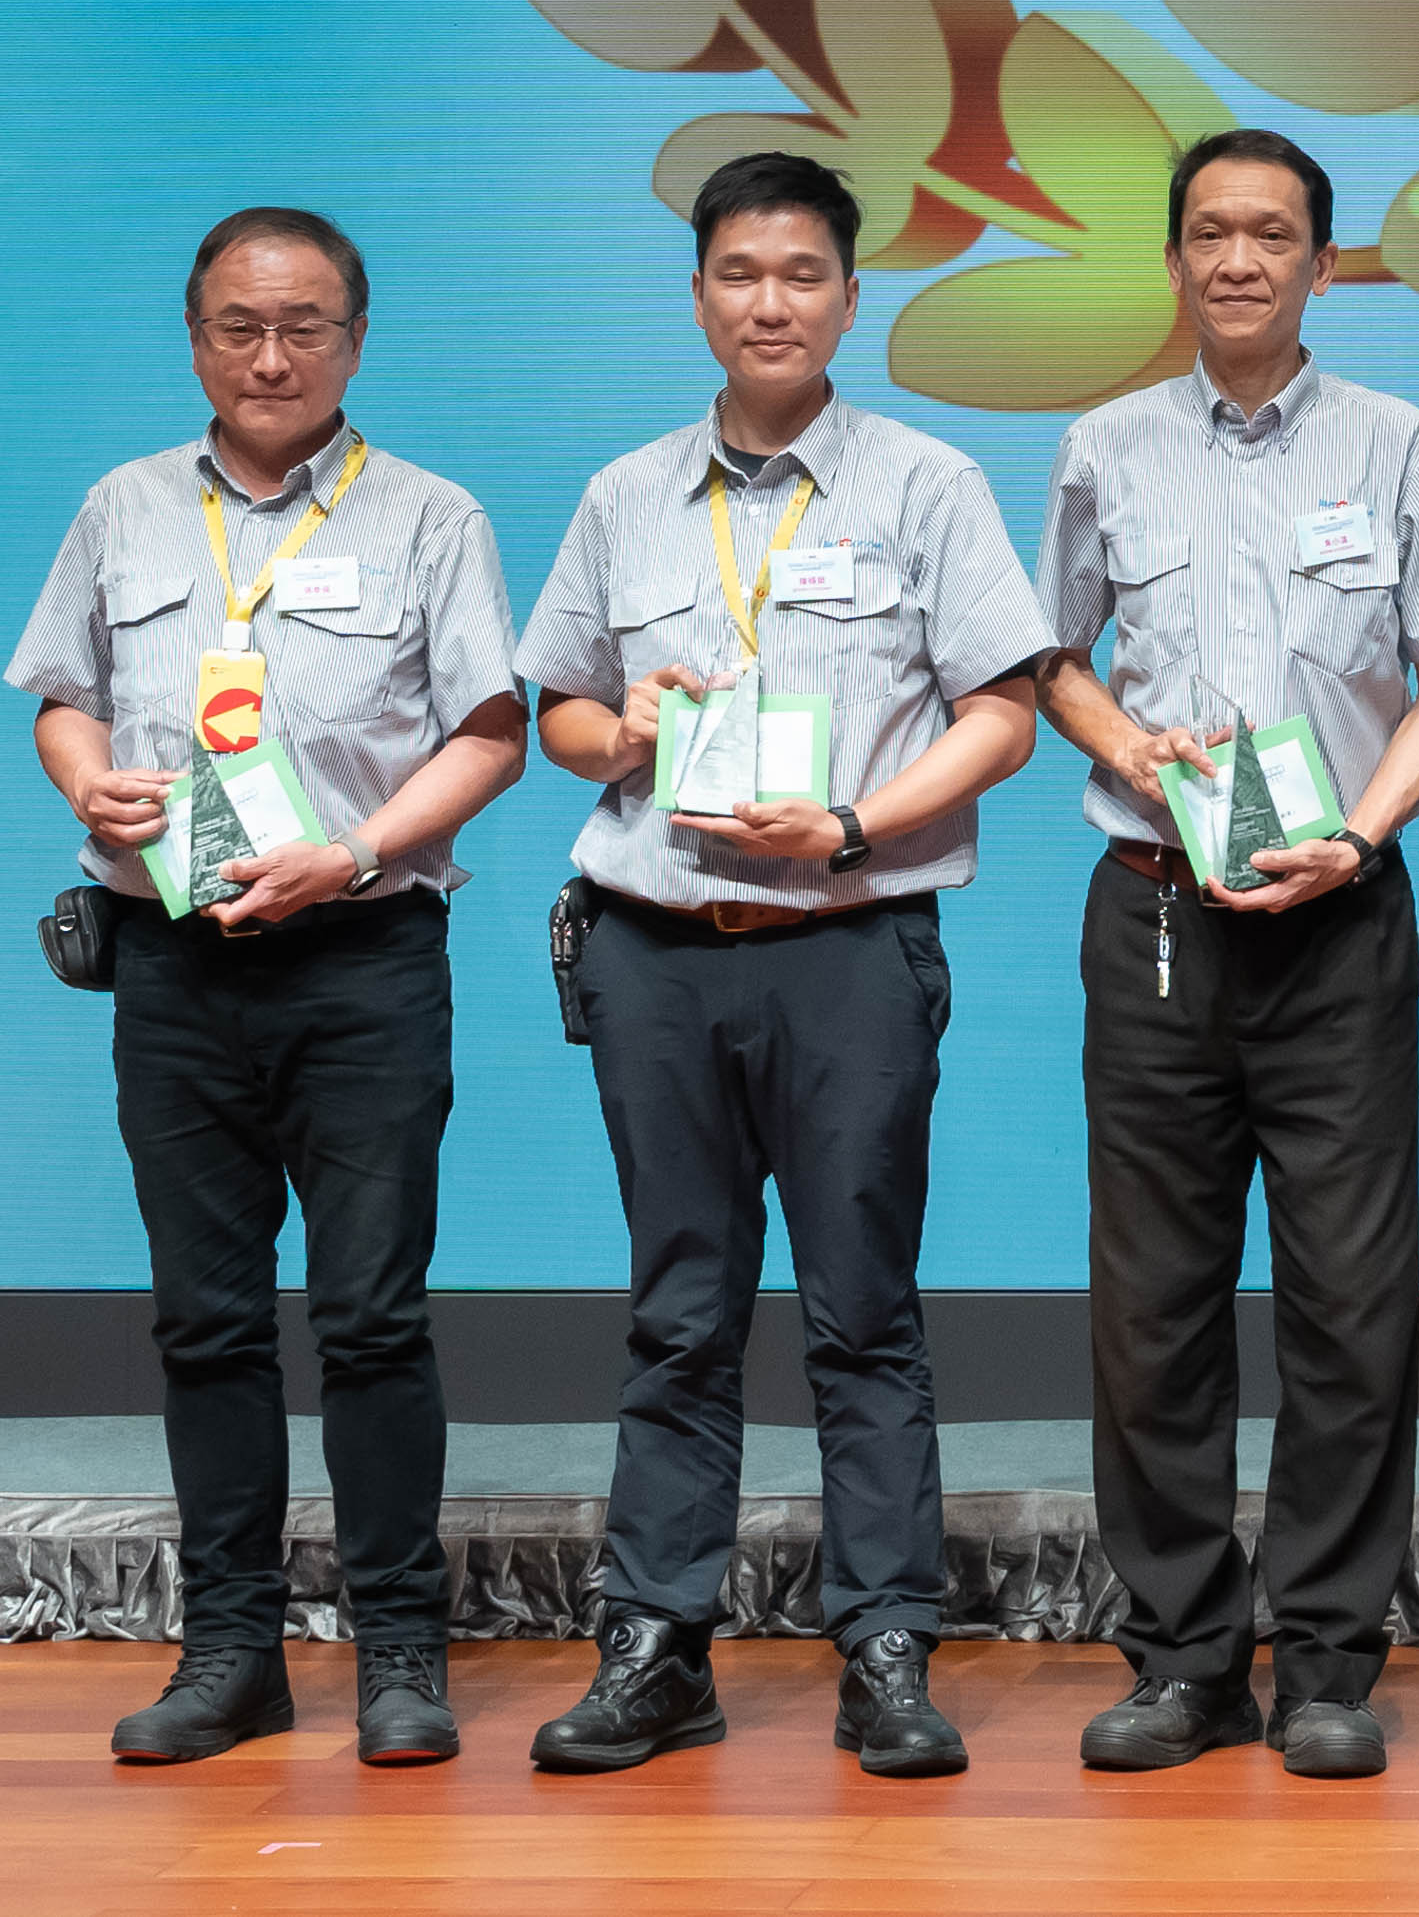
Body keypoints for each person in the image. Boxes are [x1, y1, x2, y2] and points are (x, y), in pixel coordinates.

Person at [516, 148, 1057, 1786]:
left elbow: (1004, 714)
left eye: (803, 273)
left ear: (847, 295)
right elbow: (556, 714)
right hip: (657, 952)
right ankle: (656, 1644)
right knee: (680, 1312)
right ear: (698, 296)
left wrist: (848, 824)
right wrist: (632, 726)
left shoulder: (927, 485)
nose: (771, 301)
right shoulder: (623, 494)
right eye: (740, 273)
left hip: (849, 947)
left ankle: (886, 1641)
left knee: (863, 1311)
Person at [6, 206, 530, 1770]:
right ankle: (229, 1646)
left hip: (362, 958)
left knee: (370, 1318)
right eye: (240, 324)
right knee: (206, 1321)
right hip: (172, 959)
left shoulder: (432, 516)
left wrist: (358, 851)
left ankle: (398, 1655)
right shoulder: (122, 506)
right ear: (195, 340)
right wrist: (87, 783)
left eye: (306, 324)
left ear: (357, 340)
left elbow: (492, 732)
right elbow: (65, 700)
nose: (272, 353)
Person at [1029, 122, 1419, 1782]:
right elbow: (1048, 661)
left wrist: (1361, 832)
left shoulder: (1399, 444)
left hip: (1340, 908)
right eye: (1212, 230)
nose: (1240, 257)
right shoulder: (1103, 444)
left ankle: (1327, 1658)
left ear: (1323, 261)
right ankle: (1179, 1655)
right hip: (1154, 907)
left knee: (1350, 1303)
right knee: (1151, 1300)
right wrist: (1131, 741)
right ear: (1174, 258)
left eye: (1274, 231)